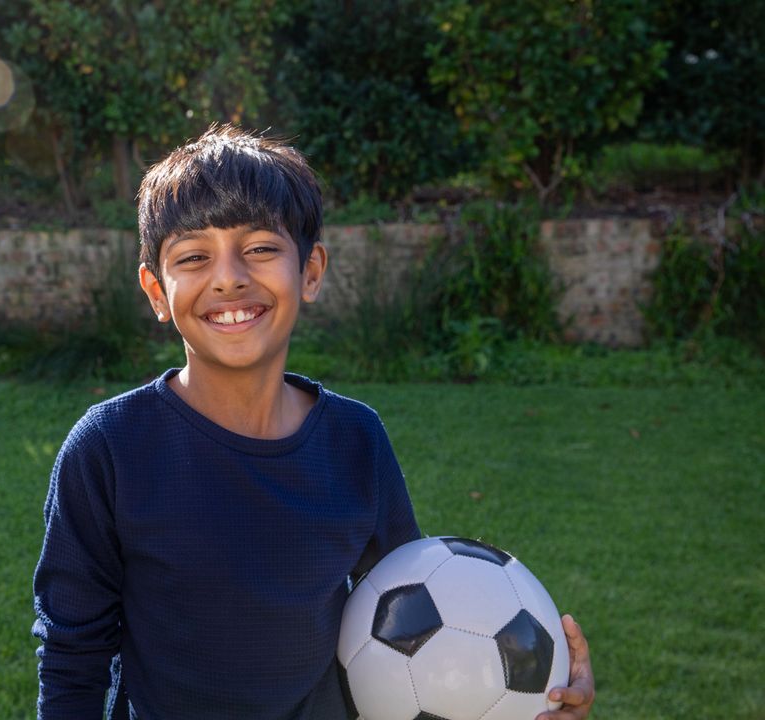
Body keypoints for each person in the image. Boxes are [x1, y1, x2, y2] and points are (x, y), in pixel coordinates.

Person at [31, 124, 596, 720]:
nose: (228, 277)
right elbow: (73, 653)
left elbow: (409, 620)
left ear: (311, 270)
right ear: (155, 289)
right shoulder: (110, 449)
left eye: (261, 248)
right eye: (194, 256)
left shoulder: (355, 442)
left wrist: (542, 685)